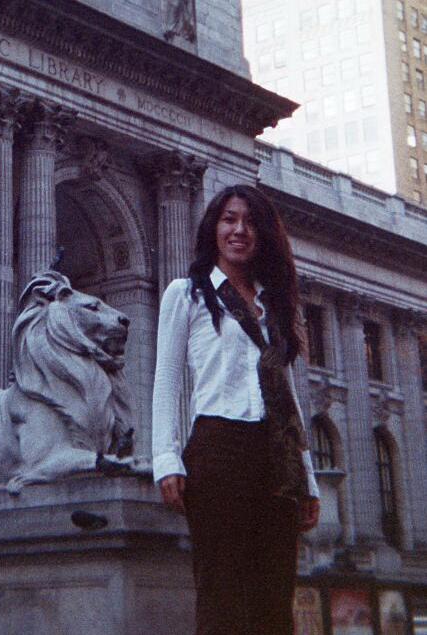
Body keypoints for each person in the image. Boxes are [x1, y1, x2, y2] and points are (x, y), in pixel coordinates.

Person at [152, 184, 320, 635]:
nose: (239, 230)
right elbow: (166, 382)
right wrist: (166, 459)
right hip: (217, 451)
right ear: (213, 228)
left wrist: (307, 476)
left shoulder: (276, 304)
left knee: (274, 602)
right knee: (221, 595)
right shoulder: (186, 294)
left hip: (275, 459)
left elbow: (286, 397)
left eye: (249, 221)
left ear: (262, 233)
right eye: (229, 219)